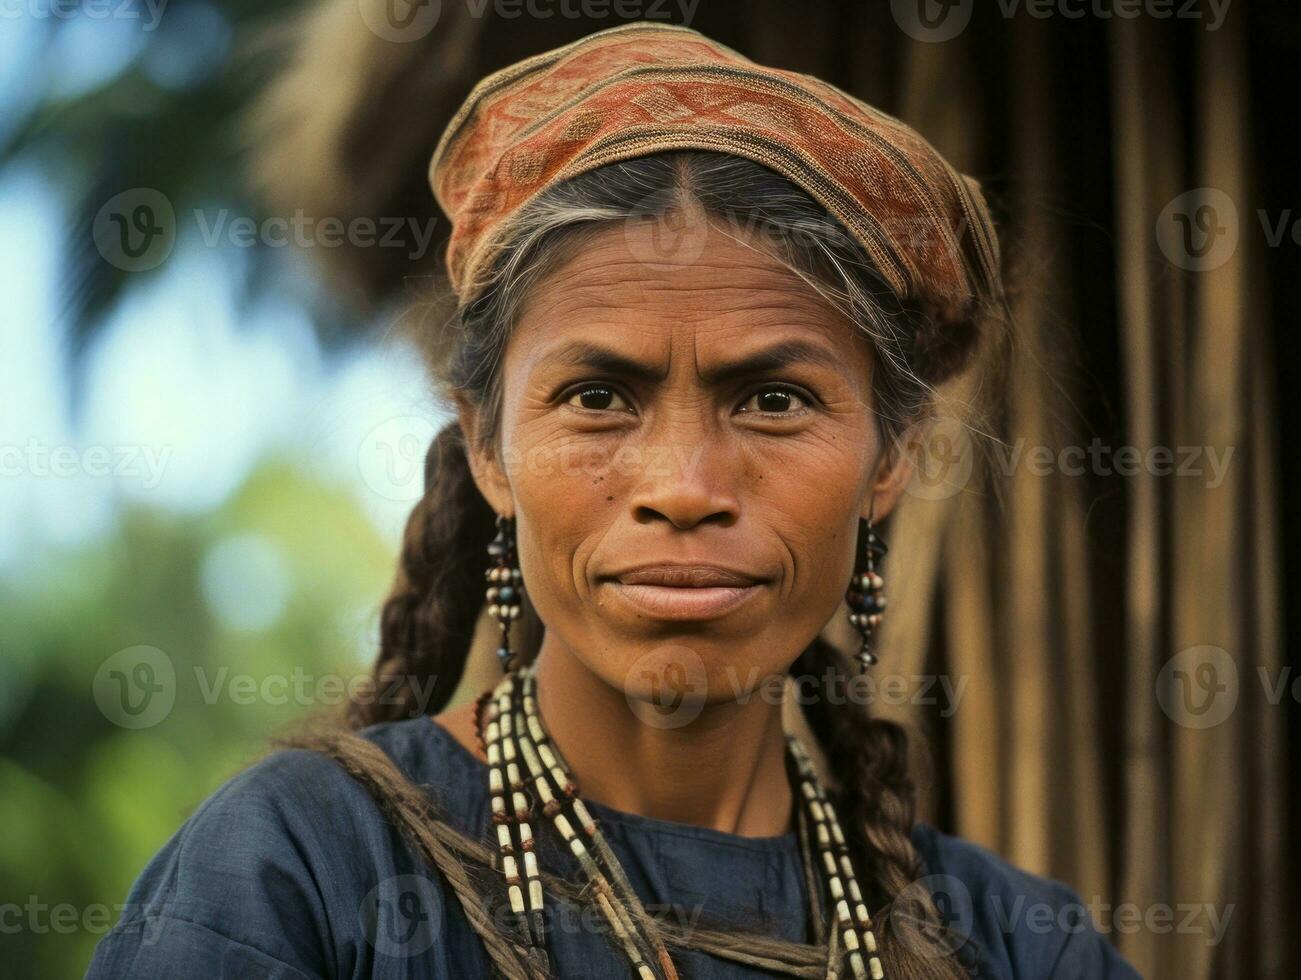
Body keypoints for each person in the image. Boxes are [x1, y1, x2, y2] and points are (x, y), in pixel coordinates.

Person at [86, 22, 1142, 980]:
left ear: (890, 457)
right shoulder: (300, 875)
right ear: (488, 445)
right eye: (596, 397)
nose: (683, 486)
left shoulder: (1013, 944)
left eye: (774, 399)